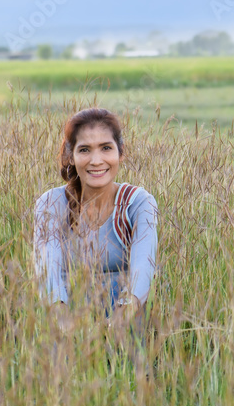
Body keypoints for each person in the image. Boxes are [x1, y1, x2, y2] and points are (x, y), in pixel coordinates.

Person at [33, 107, 160, 335]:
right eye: (84, 150)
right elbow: (48, 272)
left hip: (126, 324)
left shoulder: (138, 203)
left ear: (121, 153)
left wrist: (114, 326)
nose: (96, 160)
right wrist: (69, 328)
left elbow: (143, 270)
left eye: (106, 148)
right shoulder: (50, 203)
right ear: (70, 156)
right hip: (65, 325)